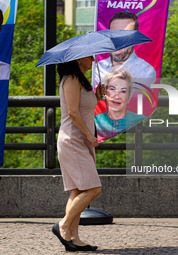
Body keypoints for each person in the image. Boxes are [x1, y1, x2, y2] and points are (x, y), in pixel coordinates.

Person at [52, 56, 105, 252]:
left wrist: (97, 96)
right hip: (73, 140)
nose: (92, 58)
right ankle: (63, 225)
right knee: (93, 189)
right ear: (77, 59)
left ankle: (72, 237)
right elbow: (73, 112)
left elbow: (82, 108)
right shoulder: (71, 79)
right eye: (88, 55)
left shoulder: (81, 80)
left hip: (79, 140)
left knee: (77, 191)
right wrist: (90, 136)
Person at [95, 11, 156, 87]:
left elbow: (139, 98)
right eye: (113, 34)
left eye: (125, 35)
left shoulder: (146, 71)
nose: (118, 40)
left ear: (134, 38)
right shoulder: (97, 68)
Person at [95, 66, 146, 142]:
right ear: (105, 92)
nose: (117, 96)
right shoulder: (94, 120)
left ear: (129, 95)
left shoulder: (140, 120)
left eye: (123, 91)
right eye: (112, 89)